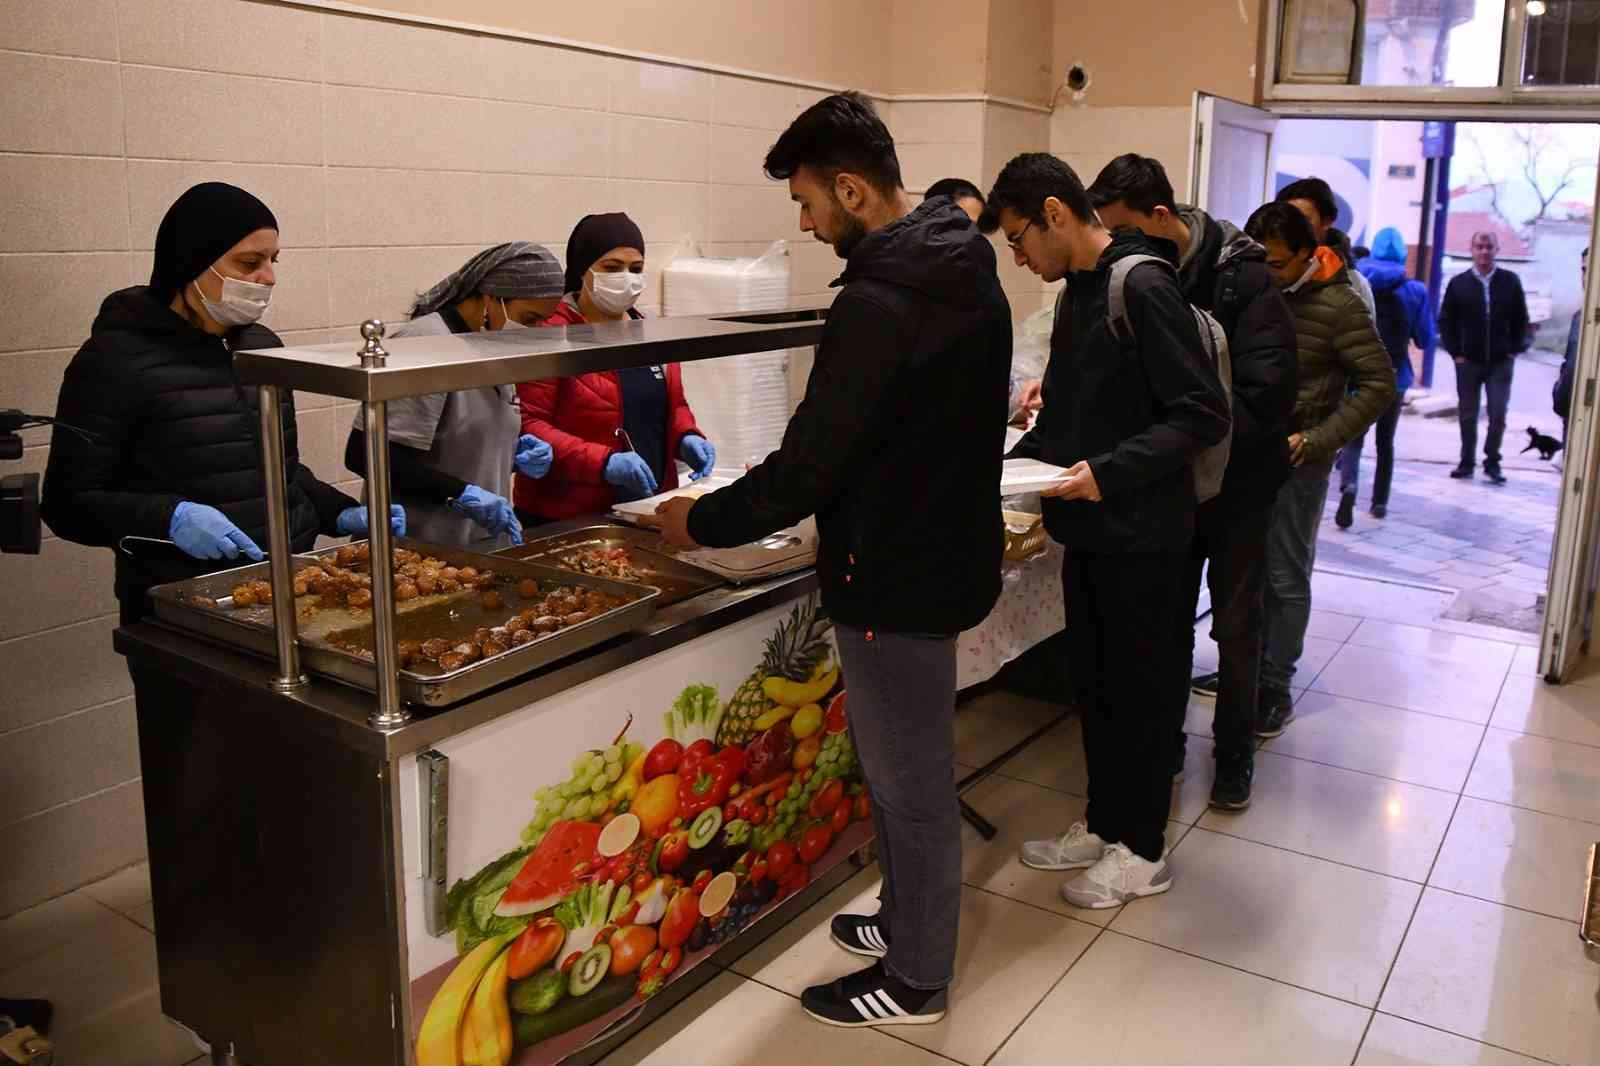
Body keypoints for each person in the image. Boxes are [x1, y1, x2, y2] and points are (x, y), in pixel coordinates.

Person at [654, 92, 1010, 1029]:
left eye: (809, 204)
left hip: (893, 576)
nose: (808, 226)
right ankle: (901, 919)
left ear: (852, 190)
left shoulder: (878, 302)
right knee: (899, 771)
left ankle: (918, 978)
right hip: (942, 553)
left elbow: (813, 463)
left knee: (909, 783)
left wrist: (700, 523)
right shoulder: (962, 262)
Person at [990, 154, 1229, 903]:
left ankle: (1144, 850)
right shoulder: (1077, 296)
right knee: (1094, 687)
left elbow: (1202, 414)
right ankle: (1104, 824)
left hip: (1147, 535)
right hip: (1090, 531)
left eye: (1019, 239)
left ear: (1055, 213)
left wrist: (1109, 471)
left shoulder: (1142, 285)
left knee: (1144, 694)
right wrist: (1004, 467)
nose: (1019, 258)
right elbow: (1066, 419)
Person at [40, 183, 402, 624]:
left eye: (272, 261)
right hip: (181, 605)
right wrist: (169, 517)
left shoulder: (262, 348)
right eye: (249, 263)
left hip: (286, 587)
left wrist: (340, 512)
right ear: (191, 262)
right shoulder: (115, 359)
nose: (268, 278)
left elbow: (278, 471)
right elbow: (66, 504)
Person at [1087, 153, 1298, 810]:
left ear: (1161, 216)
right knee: (1167, 624)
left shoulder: (1243, 277)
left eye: (1124, 231)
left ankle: (1233, 755)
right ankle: (1166, 746)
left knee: (1234, 628)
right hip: (1170, 487)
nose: (1115, 246)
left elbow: (1267, 396)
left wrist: (1187, 426)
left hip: (1239, 489)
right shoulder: (1135, 278)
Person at [1244, 203, 1394, 735]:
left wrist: (1318, 440)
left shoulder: (1340, 303)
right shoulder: (1256, 291)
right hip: (1249, 454)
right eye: (1259, 262)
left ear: (1309, 254)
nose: (1267, 273)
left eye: (1277, 264)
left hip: (1300, 460)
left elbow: (1379, 384)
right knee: (1245, 570)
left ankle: (1275, 686)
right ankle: (1246, 671)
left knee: (1285, 575)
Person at [344, 243, 564, 549]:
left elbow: (457, 440)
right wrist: (460, 493)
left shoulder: (494, 345)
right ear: (490, 298)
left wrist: (511, 453)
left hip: (476, 544)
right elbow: (365, 454)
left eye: (543, 322)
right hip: (416, 546)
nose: (536, 331)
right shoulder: (426, 344)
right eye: (529, 319)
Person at [512, 213, 716, 523]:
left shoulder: (651, 330)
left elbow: (673, 406)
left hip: (648, 506)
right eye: (611, 268)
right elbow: (529, 423)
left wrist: (685, 437)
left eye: (636, 269)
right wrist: (604, 463)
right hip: (565, 514)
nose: (626, 278)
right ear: (583, 270)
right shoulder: (549, 332)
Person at [1335, 227, 1435, 527]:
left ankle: (1349, 485)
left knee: (1354, 438)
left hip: (1358, 374)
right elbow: (1425, 340)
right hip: (1395, 376)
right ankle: (1379, 502)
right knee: (1385, 442)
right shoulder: (1415, 290)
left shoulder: (1357, 281)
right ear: (1403, 254)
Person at [1277, 177, 1376, 318]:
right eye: (1286, 219)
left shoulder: (1353, 282)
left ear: (1327, 222)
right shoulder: (1266, 270)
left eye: (1303, 220)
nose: (1292, 228)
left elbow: (1362, 331)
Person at [1553, 246, 1588, 431]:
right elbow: (1570, 365)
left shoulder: (1586, 320)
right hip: (1572, 414)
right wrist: (1559, 394)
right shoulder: (1580, 317)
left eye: (1592, 270)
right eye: (1583, 270)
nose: (1586, 277)